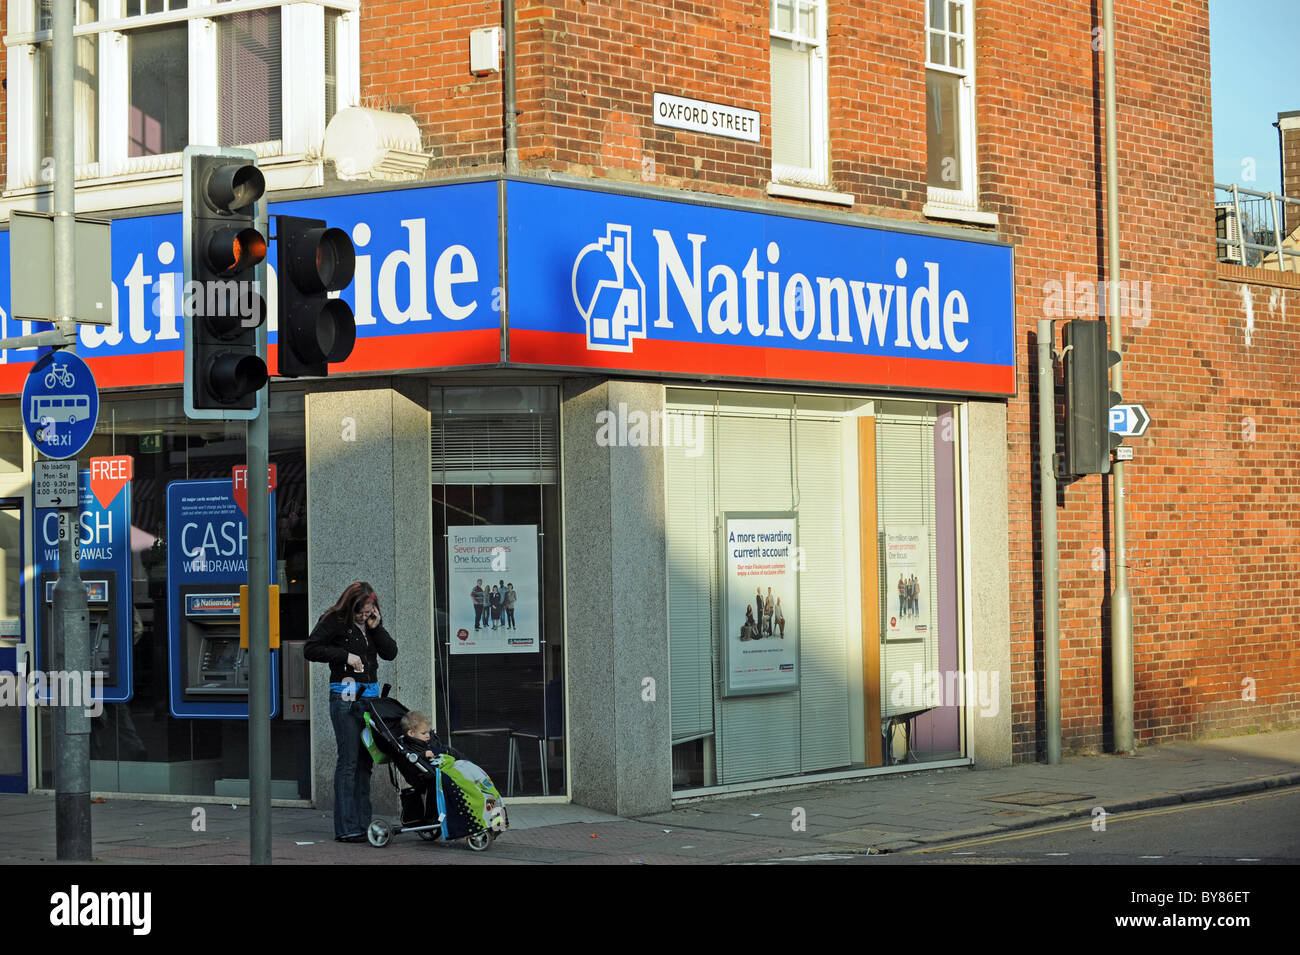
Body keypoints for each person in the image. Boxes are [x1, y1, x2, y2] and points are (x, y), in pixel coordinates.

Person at [304, 582, 397, 843]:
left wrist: (376, 627)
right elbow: (310, 649)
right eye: (360, 613)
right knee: (348, 761)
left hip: (369, 698)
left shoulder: (371, 624)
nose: (363, 617)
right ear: (350, 606)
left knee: (366, 761)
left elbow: (390, 652)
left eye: (368, 612)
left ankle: (362, 823)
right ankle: (346, 828)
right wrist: (345, 656)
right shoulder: (333, 620)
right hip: (344, 696)